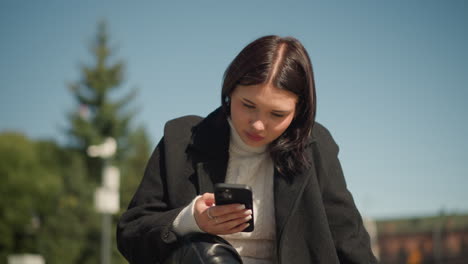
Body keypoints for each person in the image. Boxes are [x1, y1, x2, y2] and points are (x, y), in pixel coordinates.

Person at [117, 35, 378, 264]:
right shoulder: (180, 140)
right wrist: (190, 220)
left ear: (299, 112)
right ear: (230, 90)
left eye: (277, 113)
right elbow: (130, 234)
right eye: (248, 105)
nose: (258, 125)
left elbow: (348, 238)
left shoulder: (315, 145)